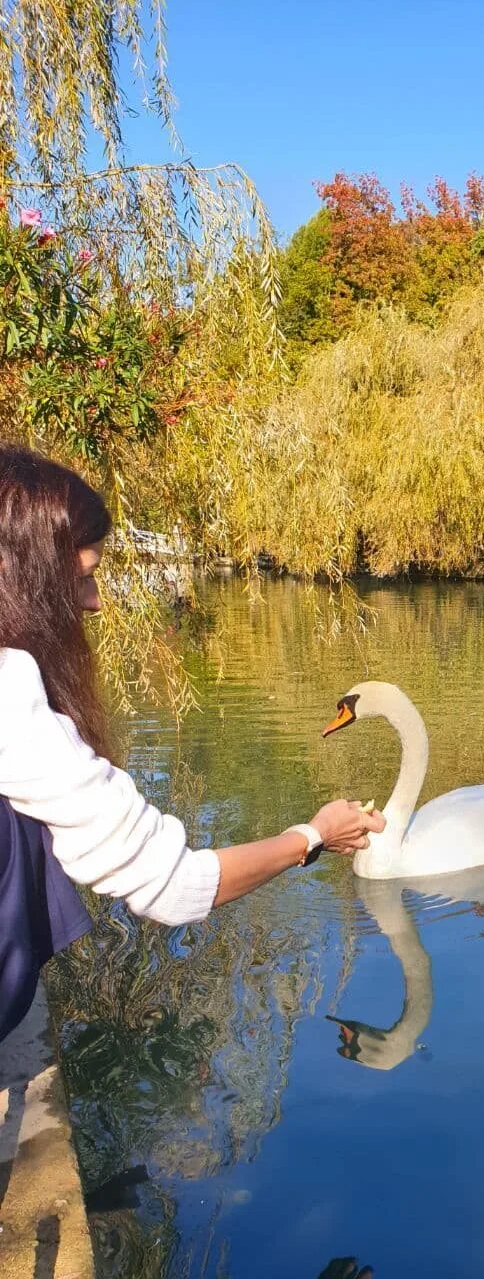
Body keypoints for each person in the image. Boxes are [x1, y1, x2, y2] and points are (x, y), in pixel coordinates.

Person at [0, 445, 385, 1042]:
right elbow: (175, 884)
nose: (96, 602)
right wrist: (313, 836)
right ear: (23, 579)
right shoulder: (8, 691)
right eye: (83, 576)